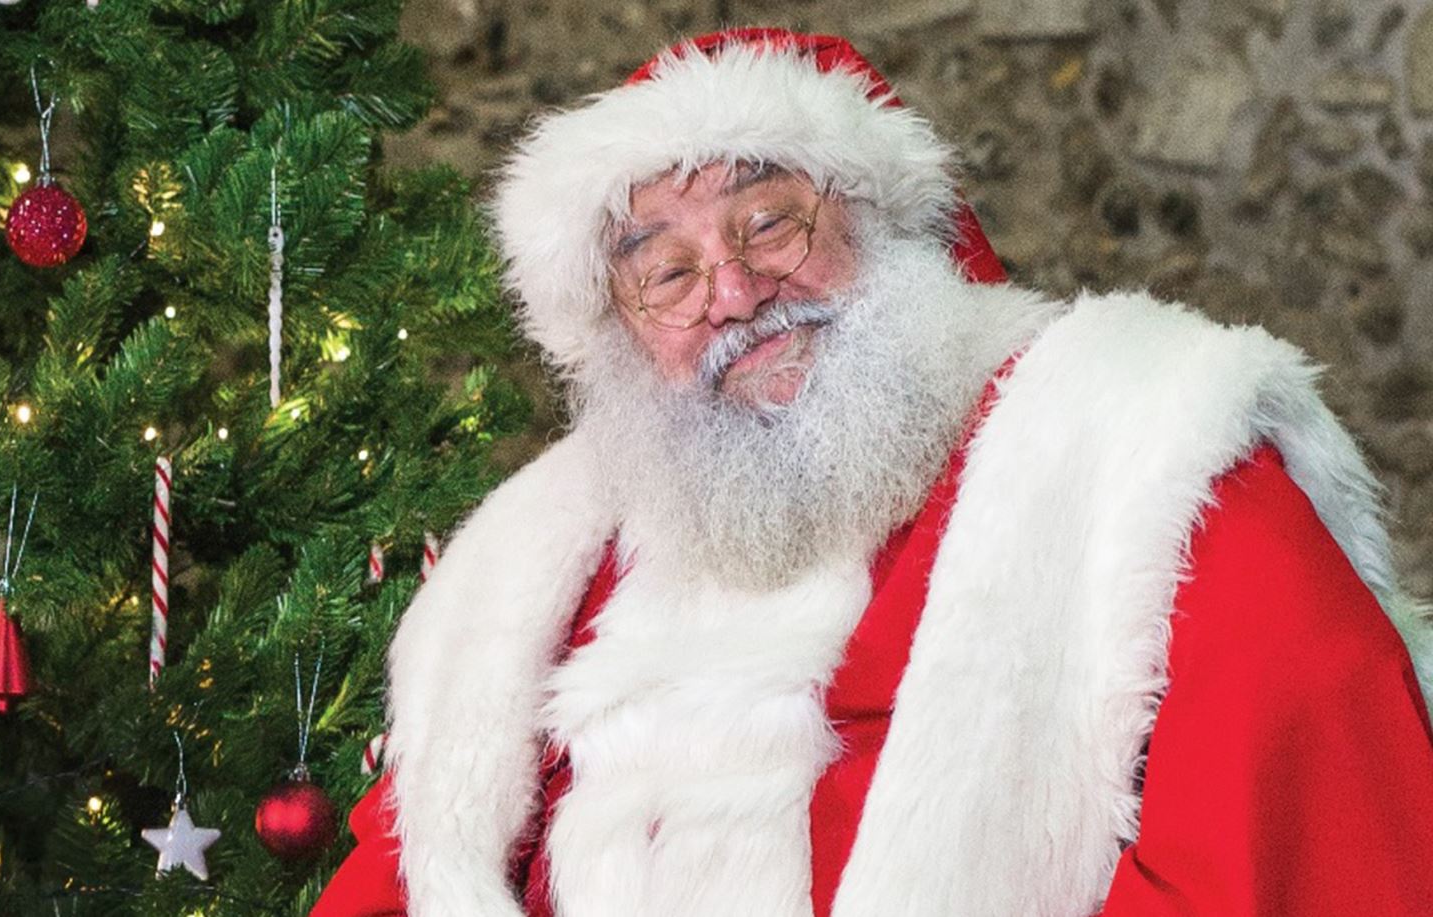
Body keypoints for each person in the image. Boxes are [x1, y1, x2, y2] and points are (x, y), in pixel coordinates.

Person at [312, 28, 1433, 917]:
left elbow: (1300, 813)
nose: (734, 290)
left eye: (769, 221)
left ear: (885, 218)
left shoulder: (1139, 443)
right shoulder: (542, 561)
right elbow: (415, 863)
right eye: (664, 272)